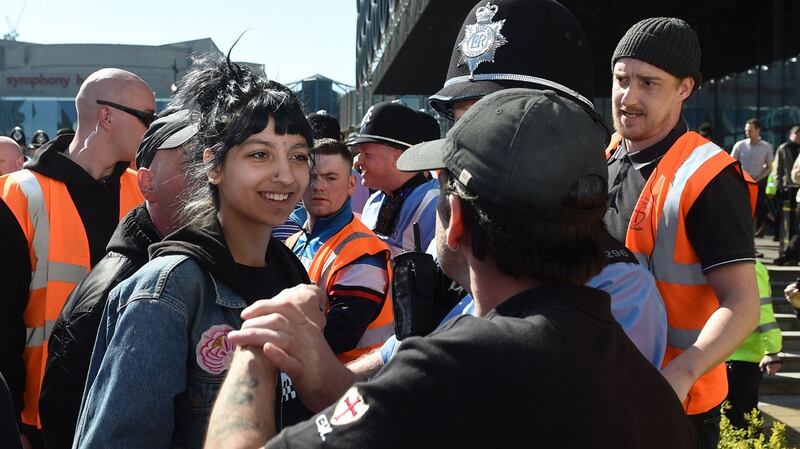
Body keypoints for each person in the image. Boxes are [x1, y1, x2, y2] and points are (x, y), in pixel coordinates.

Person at [205, 88, 693, 449]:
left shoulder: (455, 366)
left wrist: (256, 352)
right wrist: (326, 376)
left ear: (456, 221)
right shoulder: (649, 391)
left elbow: (432, 395)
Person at [373, 0, 667, 370]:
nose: (461, 164)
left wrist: (472, 272)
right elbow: (389, 365)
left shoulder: (619, 292)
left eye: (492, 130)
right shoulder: (460, 241)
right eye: (459, 127)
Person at [72, 54, 314, 449]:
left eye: (299, 156)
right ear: (213, 166)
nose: (286, 175)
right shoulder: (167, 292)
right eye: (260, 154)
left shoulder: (292, 276)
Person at [605, 17, 760, 448]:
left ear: (685, 89)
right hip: (606, 389)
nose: (629, 98)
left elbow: (743, 305)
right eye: (622, 80)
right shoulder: (611, 156)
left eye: (649, 84)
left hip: (675, 406)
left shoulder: (708, 177)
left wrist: (681, 374)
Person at [0, 68, 152, 446]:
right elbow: (2, 319)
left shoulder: (147, 194)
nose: (153, 129)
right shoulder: (19, 193)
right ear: (106, 116)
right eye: (147, 118)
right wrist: (12, 422)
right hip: (39, 417)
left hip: (123, 408)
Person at [39, 109, 198, 449]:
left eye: (214, 159)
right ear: (147, 183)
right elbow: (66, 415)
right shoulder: (116, 289)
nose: (209, 175)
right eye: (191, 163)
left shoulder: (243, 262)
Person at [287, 138, 393, 363]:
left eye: (331, 177)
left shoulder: (363, 252)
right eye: (312, 176)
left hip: (348, 385)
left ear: (351, 185)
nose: (318, 186)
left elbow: (337, 337)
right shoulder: (294, 241)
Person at [349, 101, 440, 256]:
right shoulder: (374, 201)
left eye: (367, 154)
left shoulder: (435, 205)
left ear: (397, 157)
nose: (358, 161)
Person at [724, 260, 782, 429]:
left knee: (737, 417)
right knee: (745, 415)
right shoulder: (753, 265)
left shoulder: (745, 266)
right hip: (742, 356)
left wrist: (772, 350)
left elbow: (762, 310)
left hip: (738, 357)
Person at [731, 118, 775, 237]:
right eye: (746, 130)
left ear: (758, 130)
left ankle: (753, 239)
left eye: (750, 130)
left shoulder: (767, 147)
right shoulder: (739, 145)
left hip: (757, 183)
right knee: (741, 211)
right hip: (741, 182)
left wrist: (759, 179)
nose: (747, 133)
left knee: (756, 212)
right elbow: (731, 163)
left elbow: (770, 167)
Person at [772, 125, 800, 265]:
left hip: (797, 190)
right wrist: (780, 186)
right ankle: (785, 252)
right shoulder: (784, 148)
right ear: (791, 134)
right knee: (785, 224)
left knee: (796, 226)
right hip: (787, 189)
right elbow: (777, 169)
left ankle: (792, 255)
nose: (798, 136)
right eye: (796, 133)